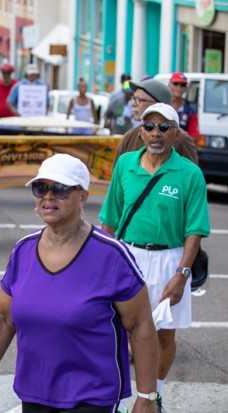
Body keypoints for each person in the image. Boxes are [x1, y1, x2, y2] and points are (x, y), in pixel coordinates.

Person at [0, 154, 159, 413]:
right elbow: (2, 318)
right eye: (41, 188)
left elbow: (140, 325)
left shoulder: (111, 255)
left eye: (60, 189)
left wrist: (147, 397)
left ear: (82, 197)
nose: (48, 196)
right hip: (34, 393)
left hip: (93, 396)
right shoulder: (23, 251)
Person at [100, 103, 210, 412]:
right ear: (141, 132)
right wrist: (101, 264)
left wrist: (182, 275)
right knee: (117, 331)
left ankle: (153, 395)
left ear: (176, 133)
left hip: (169, 260)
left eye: (164, 127)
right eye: (149, 127)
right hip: (128, 257)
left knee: (163, 334)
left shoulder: (190, 174)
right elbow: (109, 219)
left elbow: (195, 229)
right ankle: (121, 397)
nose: (156, 133)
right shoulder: (125, 165)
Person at [114, 79, 198, 165]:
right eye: (134, 99)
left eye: (139, 100)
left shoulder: (181, 139)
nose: (133, 104)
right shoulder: (129, 137)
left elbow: (191, 172)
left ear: (158, 104)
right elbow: (117, 172)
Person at [168, 72, 200, 139]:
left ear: (186, 88)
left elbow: (194, 135)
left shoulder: (190, 111)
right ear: (169, 84)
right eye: (175, 83)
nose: (179, 87)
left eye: (183, 85)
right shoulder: (161, 105)